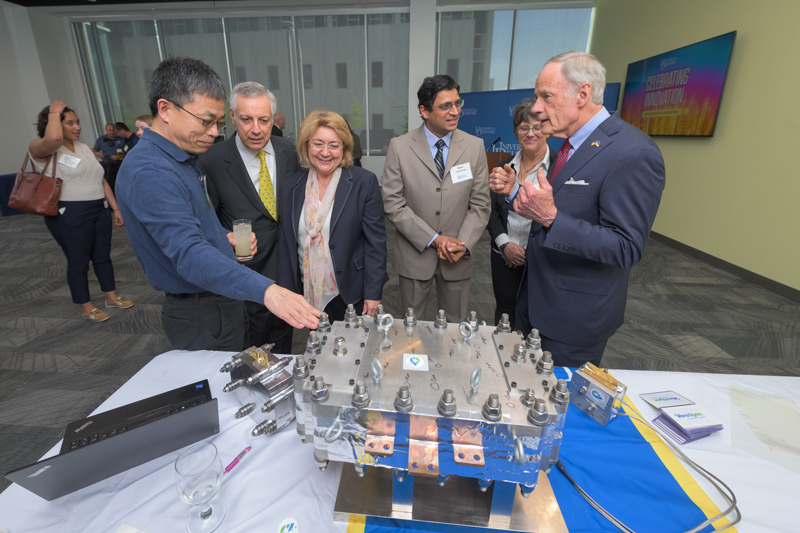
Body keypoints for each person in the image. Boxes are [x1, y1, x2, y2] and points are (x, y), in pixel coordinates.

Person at [115, 57, 319, 352]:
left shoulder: (180, 158)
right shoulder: (152, 171)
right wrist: (268, 291)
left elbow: (191, 228)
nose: (214, 132)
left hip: (220, 300)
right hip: (201, 310)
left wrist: (222, 239)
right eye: (205, 120)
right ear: (165, 109)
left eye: (218, 123)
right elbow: (188, 254)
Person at [489, 51, 666, 367]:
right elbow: (567, 204)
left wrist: (551, 218)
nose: (538, 108)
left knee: (557, 409)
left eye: (546, 96)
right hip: (534, 303)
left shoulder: (632, 152)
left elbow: (625, 247)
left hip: (572, 320)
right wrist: (518, 193)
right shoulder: (571, 146)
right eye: (536, 97)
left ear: (583, 94)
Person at [199, 82, 299, 353]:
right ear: (232, 117)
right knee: (251, 348)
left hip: (288, 268)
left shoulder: (287, 150)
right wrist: (225, 239)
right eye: (246, 119)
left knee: (283, 340)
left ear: (273, 119)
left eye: (263, 120)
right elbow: (206, 221)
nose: (256, 129)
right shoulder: (211, 159)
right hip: (246, 272)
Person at [382, 74, 490, 322]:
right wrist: (434, 239)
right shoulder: (400, 146)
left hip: (457, 256)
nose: (455, 111)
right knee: (411, 327)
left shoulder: (474, 147)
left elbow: (481, 204)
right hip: (415, 255)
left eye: (457, 103)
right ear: (424, 110)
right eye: (445, 106)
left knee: (455, 329)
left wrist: (460, 245)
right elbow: (393, 203)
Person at [28, 101, 134, 322]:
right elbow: (54, 138)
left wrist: (115, 207)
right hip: (69, 212)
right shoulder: (41, 148)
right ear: (54, 123)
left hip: (99, 209)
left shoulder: (84, 148)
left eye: (78, 122)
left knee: (103, 257)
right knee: (78, 262)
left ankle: (111, 297)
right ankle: (86, 307)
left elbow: (100, 179)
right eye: (69, 123)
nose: (77, 127)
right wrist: (54, 111)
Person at [278, 109, 387, 321]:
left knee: (353, 350)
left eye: (334, 145)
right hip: (307, 291)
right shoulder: (291, 185)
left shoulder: (363, 182)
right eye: (318, 143)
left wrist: (373, 292)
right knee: (316, 347)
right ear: (306, 144)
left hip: (350, 290)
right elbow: (286, 243)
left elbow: (376, 242)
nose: (325, 152)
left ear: (344, 148)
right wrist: (286, 292)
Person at [487, 98, 554, 329]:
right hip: (505, 256)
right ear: (516, 132)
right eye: (524, 127)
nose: (530, 133)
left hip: (543, 258)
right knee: (505, 311)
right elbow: (491, 212)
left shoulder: (561, 168)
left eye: (537, 127)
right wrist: (506, 244)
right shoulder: (504, 167)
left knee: (540, 314)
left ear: (548, 130)